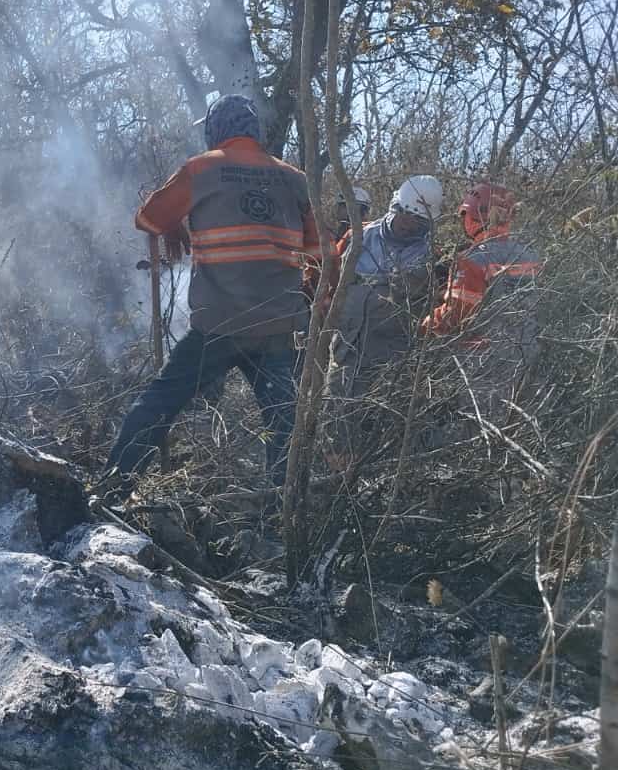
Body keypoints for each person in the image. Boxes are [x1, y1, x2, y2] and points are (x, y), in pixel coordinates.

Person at [97, 94, 320, 503]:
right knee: (285, 423)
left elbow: (146, 218)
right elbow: (319, 250)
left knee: (160, 402)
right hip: (277, 326)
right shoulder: (294, 178)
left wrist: (173, 228)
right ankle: (286, 515)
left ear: (214, 131)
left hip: (219, 325)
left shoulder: (202, 169)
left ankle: (111, 490)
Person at [323, 176, 443, 467]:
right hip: (347, 347)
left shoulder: (432, 254)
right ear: (394, 206)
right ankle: (337, 486)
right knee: (337, 416)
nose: (408, 224)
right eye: (405, 215)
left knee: (390, 423)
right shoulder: (358, 236)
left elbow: (436, 304)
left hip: (394, 354)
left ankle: (384, 482)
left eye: (417, 220)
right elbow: (329, 280)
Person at [422, 182, 541, 430]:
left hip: (482, 363)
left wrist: (424, 325)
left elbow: (456, 317)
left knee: (478, 432)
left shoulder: (474, 260)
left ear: (473, 215)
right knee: (516, 428)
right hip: (524, 353)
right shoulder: (531, 255)